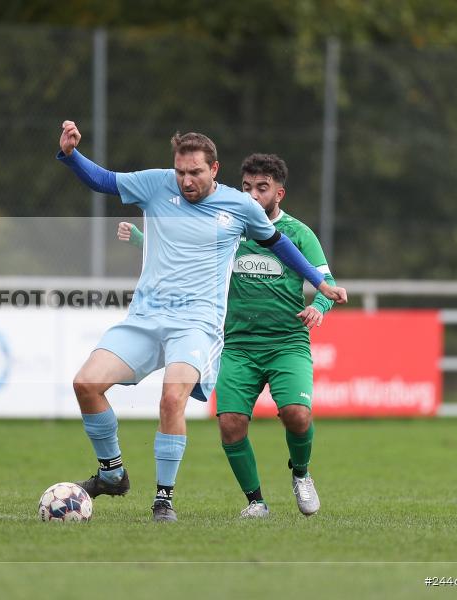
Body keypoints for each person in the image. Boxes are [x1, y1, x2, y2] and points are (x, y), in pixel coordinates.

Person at [57, 121, 346, 522]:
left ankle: (163, 500)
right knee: (85, 384)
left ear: (214, 169)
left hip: (198, 323)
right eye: (180, 171)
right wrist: (71, 156)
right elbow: (104, 181)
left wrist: (318, 283)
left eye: (195, 172)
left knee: (172, 397)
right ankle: (113, 473)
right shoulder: (156, 185)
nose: (186, 180)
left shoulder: (239, 206)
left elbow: (278, 243)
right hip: (146, 316)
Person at [118, 153, 335, 519]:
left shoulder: (298, 234)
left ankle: (301, 473)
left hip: (287, 343)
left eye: (262, 189)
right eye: (247, 187)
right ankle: (256, 502)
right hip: (236, 344)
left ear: (279, 193)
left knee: (297, 414)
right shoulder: (227, 225)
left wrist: (320, 307)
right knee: (231, 424)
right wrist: (142, 239)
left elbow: (325, 283)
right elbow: (184, 255)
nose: (252, 195)